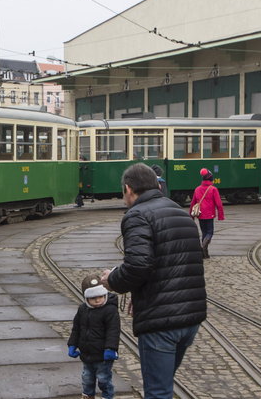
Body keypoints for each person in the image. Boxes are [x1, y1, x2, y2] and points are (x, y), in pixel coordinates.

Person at [100, 163, 206, 399]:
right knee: (164, 385)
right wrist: (140, 293)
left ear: (128, 189)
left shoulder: (137, 215)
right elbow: (175, 264)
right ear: (156, 184)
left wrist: (112, 280)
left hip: (161, 323)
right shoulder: (181, 212)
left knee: (158, 392)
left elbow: (138, 265)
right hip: (190, 318)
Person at [68, 274, 121, 399]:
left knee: (103, 379)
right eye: (93, 298)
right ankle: (87, 396)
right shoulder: (82, 310)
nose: (98, 300)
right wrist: (72, 344)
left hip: (103, 355)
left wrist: (110, 348)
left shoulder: (110, 310)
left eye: (100, 296)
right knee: (87, 378)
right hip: (86, 353)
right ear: (86, 298)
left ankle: (107, 396)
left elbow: (113, 331)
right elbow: (76, 329)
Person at [188, 168, 224, 259]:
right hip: (209, 214)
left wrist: (191, 216)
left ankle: (205, 254)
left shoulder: (197, 189)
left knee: (204, 232)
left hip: (200, 214)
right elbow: (219, 203)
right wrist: (221, 215)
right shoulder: (213, 189)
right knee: (210, 232)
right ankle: (204, 246)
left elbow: (192, 203)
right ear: (211, 179)